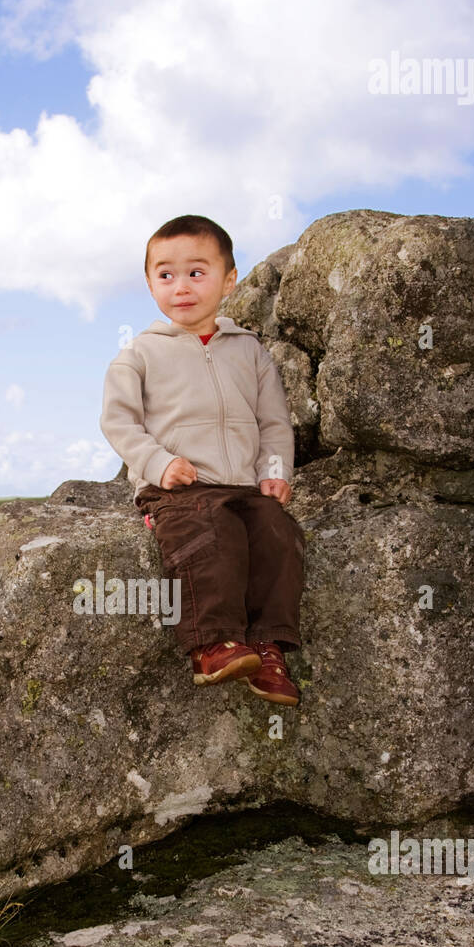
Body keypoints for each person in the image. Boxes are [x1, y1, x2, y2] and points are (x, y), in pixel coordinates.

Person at [100, 213, 305, 705]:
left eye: (197, 272)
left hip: (243, 485)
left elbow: (274, 422)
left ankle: (268, 647)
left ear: (229, 280)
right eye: (166, 275)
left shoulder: (250, 352)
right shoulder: (139, 355)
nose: (182, 286)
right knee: (207, 533)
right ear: (150, 284)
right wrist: (158, 463)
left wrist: (273, 473)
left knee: (278, 534)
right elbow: (119, 422)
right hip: (178, 488)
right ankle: (212, 644)